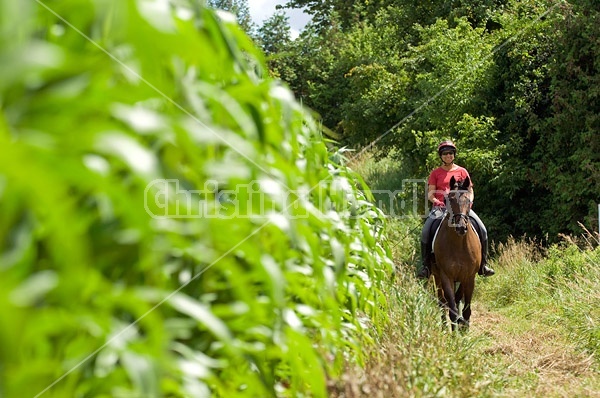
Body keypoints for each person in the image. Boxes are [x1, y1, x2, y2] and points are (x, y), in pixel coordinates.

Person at [417, 140, 495, 279]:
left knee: (482, 229)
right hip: (441, 208)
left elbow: (470, 190)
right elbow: (430, 193)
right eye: (445, 153)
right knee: (426, 231)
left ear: (454, 155)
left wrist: (469, 202)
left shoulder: (462, 171)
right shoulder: (436, 173)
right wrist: (436, 202)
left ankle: (483, 265)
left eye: (451, 153)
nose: (448, 156)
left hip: (461, 209)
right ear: (441, 156)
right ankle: (426, 266)